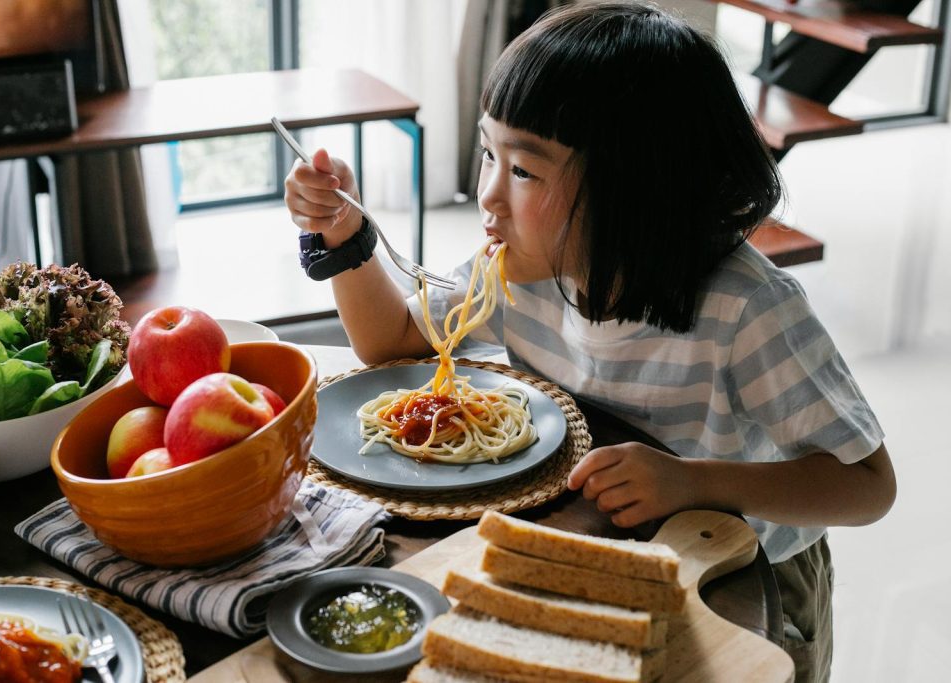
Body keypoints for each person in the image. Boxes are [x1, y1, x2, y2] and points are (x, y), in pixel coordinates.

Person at [283, 4, 895, 681]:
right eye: (490, 153)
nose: (487, 195)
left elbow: (867, 484)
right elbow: (393, 340)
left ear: (632, 188)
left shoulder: (745, 309)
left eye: (524, 171)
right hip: (608, 542)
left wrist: (694, 481)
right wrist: (343, 238)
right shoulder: (524, 268)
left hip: (746, 569)